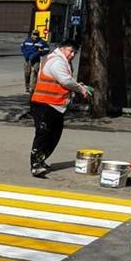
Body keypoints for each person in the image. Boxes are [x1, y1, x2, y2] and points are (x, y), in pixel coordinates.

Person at [29, 39, 91, 178]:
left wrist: (78, 85)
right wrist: (80, 89)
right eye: (70, 51)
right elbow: (65, 80)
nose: (72, 55)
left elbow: (65, 80)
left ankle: (41, 160)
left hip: (55, 105)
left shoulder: (62, 61)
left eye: (75, 53)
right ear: (62, 48)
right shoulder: (56, 61)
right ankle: (36, 164)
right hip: (45, 104)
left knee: (53, 135)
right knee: (44, 134)